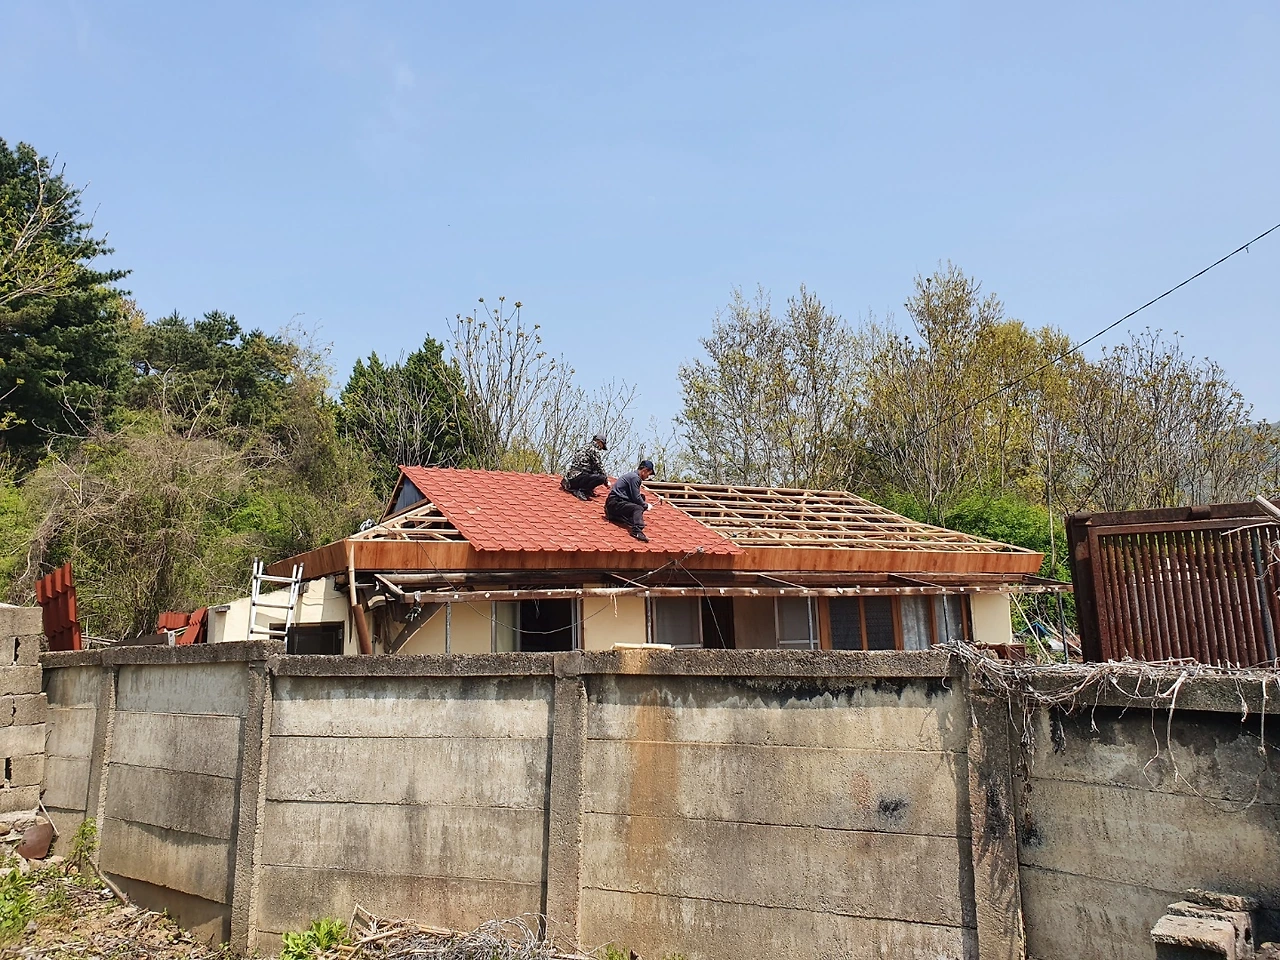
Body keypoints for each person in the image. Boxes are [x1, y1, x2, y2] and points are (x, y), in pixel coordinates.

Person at [605, 459, 656, 541]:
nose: (647, 477)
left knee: (642, 498)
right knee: (638, 508)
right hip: (614, 504)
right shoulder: (635, 478)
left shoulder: (632, 476)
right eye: (648, 474)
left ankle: (622, 517)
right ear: (644, 470)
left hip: (614, 504)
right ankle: (637, 531)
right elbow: (636, 497)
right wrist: (646, 505)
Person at [560, 433, 609, 501]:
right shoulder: (593, 450)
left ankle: (586, 490)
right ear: (599, 442)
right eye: (602, 446)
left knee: (593, 473)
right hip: (579, 478)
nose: (601, 449)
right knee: (601, 478)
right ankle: (582, 490)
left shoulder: (583, 447)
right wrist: (606, 481)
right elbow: (599, 467)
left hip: (571, 479)